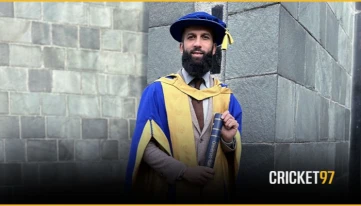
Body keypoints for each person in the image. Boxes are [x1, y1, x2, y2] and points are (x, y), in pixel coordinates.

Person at [125, 11, 242, 203]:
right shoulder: (157, 92)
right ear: (182, 47)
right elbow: (144, 146)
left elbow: (232, 155)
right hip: (170, 191)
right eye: (191, 37)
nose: (197, 43)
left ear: (214, 48)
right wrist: (183, 172)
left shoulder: (227, 98)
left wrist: (229, 142)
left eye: (205, 37)